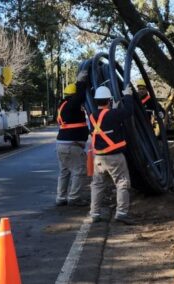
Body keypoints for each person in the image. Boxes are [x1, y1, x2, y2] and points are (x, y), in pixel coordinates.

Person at [89, 84, 136, 224]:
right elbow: (128, 111)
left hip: (98, 158)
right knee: (122, 183)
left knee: (97, 185)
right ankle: (121, 213)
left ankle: (95, 213)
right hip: (114, 157)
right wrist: (127, 95)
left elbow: (106, 122)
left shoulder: (92, 116)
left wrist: (113, 109)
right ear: (109, 100)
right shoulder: (113, 115)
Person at [55, 71, 90, 206]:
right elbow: (80, 95)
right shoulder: (72, 103)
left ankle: (61, 198)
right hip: (72, 145)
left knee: (64, 171)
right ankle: (74, 198)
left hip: (62, 144)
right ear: (73, 95)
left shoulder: (63, 105)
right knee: (79, 170)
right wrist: (81, 81)